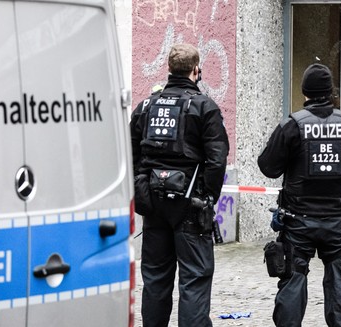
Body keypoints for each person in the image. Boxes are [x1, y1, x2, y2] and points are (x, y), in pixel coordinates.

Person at [258, 63, 341, 327]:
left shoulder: (292, 125)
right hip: (337, 222)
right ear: (331, 92)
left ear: (305, 92)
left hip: (298, 221)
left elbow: (268, 166)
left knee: (293, 279)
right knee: (340, 281)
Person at [130, 43, 229, 327]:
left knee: (156, 280)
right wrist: (207, 197)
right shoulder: (204, 107)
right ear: (196, 70)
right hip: (190, 205)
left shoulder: (147, 105)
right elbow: (217, 158)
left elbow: (129, 149)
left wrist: (141, 185)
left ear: (169, 69)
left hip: (154, 203)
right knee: (195, 279)